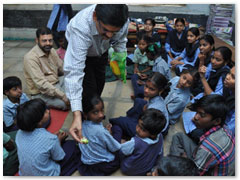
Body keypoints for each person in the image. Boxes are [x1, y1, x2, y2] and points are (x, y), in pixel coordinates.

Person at [63, 4, 129, 142]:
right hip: (83, 55)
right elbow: (74, 72)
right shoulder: (80, 28)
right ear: (95, 17)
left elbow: (120, 41)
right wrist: (76, 115)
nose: (109, 36)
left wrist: (120, 61)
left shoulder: (122, 20)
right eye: (105, 30)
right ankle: (85, 119)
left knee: (99, 84)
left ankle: (91, 113)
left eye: (114, 32)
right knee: (88, 90)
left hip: (101, 52)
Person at [170, 94, 235, 176]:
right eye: (197, 112)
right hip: (220, 166)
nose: (195, 117)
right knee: (179, 136)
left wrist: (186, 163)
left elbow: (194, 174)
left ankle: (172, 171)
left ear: (217, 121)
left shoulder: (207, 148)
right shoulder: (225, 128)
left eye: (202, 115)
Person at [15, 98, 80, 176]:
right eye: (45, 112)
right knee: (71, 144)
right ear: (39, 122)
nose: (48, 111)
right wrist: (58, 140)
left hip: (24, 174)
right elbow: (59, 157)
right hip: (46, 174)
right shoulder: (50, 139)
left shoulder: (19, 133)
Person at [110, 72, 170, 138]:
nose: (146, 90)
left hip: (153, 132)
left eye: (151, 89)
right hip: (150, 120)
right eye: (146, 86)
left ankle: (116, 124)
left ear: (160, 90)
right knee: (139, 101)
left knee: (120, 121)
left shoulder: (155, 108)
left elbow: (148, 128)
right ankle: (129, 120)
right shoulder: (157, 99)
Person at [23, 27, 70, 110]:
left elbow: (62, 69)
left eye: (50, 40)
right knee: (65, 104)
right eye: (44, 41)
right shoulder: (30, 58)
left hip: (57, 83)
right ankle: (42, 103)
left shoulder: (52, 51)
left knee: (78, 87)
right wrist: (63, 95)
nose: (48, 43)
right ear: (37, 40)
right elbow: (42, 84)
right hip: (41, 93)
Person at [78, 95, 121, 176]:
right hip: (103, 165)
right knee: (117, 129)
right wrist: (109, 135)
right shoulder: (101, 132)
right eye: (95, 112)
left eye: (102, 110)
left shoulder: (80, 125)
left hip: (86, 164)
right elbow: (115, 148)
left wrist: (106, 133)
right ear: (85, 114)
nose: (101, 115)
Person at [119, 108, 166, 176]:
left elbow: (122, 150)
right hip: (145, 169)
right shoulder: (160, 137)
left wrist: (123, 144)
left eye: (142, 129)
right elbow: (160, 154)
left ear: (153, 134)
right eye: (138, 124)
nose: (137, 129)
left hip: (128, 169)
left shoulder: (136, 142)